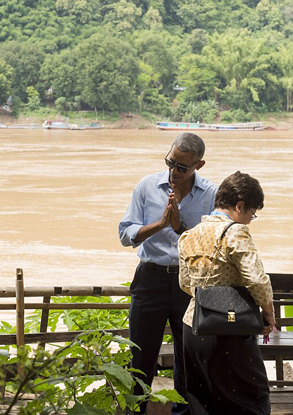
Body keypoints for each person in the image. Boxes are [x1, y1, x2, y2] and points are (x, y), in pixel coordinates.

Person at [118, 133, 217, 415]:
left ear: (199, 165)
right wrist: (161, 224)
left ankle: (183, 413)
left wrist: (179, 227)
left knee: (188, 357)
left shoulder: (211, 194)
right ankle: (134, 412)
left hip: (189, 284)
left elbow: (212, 246)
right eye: (170, 162)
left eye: (183, 167)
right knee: (141, 355)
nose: (174, 171)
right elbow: (126, 234)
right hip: (150, 279)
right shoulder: (147, 186)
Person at [178, 171, 274, 415]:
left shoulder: (189, 235)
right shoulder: (235, 232)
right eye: (252, 213)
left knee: (203, 403)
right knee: (252, 400)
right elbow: (256, 279)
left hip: (194, 327)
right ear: (239, 205)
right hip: (230, 329)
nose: (250, 220)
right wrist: (268, 311)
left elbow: (186, 284)